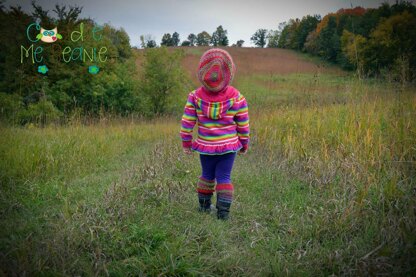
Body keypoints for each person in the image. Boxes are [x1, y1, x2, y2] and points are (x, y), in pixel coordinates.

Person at [180, 48, 250, 220]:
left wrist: (186, 143)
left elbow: (187, 122)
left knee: (207, 175)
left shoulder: (195, 97)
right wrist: (244, 143)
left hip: (206, 145)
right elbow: (243, 124)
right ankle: (223, 214)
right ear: (229, 72)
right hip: (229, 146)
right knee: (224, 177)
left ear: (202, 71)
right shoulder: (237, 97)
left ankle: (204, 208)